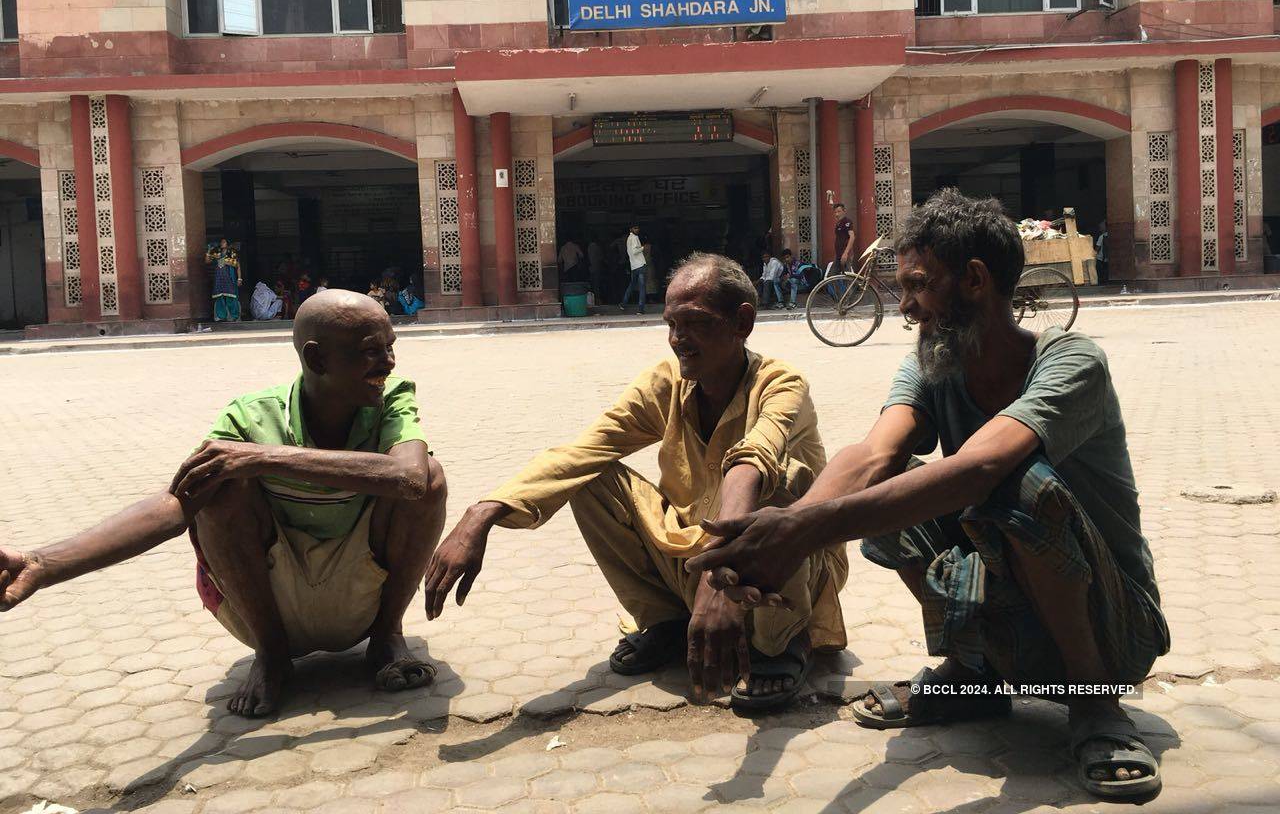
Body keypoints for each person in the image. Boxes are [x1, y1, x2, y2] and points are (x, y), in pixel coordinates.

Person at [688, 189, 1168, 801]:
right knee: (886, 486)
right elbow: (871, 456)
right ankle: (974, 677)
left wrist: (804, 533)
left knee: (1019, 483)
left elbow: (979, 468)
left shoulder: (1071, 362)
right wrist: (778, 535)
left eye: (918, 285)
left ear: (973, 280)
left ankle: (1096, 706)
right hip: (1012, 603)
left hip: (1112, 625)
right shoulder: (933, 362)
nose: (906, 307)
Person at [424, 254, 847, 712]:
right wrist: (483, 512)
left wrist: (719, 576)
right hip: (696, 559)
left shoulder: (782, 383)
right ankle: (667, 622)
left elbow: (751, 461)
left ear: (741, 322)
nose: (678, 340)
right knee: (588, 477)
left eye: (694, 323)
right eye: (671, 324)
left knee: (782, 482)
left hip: (783, 572)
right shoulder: (667, 383)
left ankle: (781, 644)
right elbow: (589, 448)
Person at [0, 290, 447, 717]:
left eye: (391, 346)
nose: (388, 361)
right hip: (269, 606)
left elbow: (409, 480)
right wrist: (45, 564)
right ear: (315, 358)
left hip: (359, 594)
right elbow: (174, 506)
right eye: (371, 351)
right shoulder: (248, 416)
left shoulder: (393, 397)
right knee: (221, 486)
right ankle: (271, 657)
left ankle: (387, 636)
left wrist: (263, 457)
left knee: (431, 476)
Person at [206, 238, 242, 321]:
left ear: (228, 243)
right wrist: (208, 251)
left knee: (231, 297)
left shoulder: (232, 253)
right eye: (221, 242)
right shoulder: (217, 253)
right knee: (220, 297)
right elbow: (207, 261)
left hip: (229, 278)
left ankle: (234, 316)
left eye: (224, 242)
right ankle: (221, 316)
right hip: (219, 278)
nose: (222, 243)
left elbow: (238, 266)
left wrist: (239, 278)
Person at [618, 224, 647, 314]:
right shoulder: (635, 237)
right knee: (642, 288)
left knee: (632, 285)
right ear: (631, 229)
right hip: (640, 265)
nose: (637, 229)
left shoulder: (628, 239)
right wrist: (643, 248)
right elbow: (635, 251)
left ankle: (623, 304)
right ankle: (640, 309)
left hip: (633, 266)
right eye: (635, 228)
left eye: (638, 228)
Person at [828, 200, 855, 276]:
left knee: (847, 275)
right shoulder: (838, 223)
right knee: (831, 276)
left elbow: (852, 237)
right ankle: (839, 288)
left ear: (844, 211)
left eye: (839, 212)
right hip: (838, 254)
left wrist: (846, 253)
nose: (837, 214)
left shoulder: (847, 221)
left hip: (845, 253)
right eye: (835, 212)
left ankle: (850, 288)